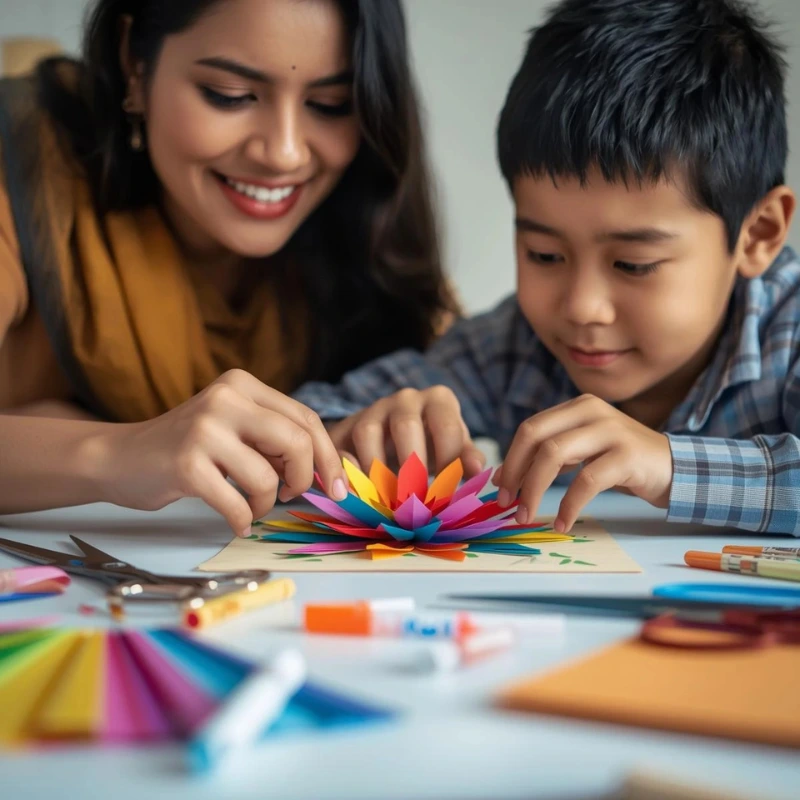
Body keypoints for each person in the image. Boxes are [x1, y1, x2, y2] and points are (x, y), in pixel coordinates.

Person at [295, 0, 800, 537]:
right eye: (544, 255)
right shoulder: (517, 347)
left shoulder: (788, 334)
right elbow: (319, 411)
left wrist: (670, 465)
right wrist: (354, 432)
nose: (581, 305)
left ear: (758, 234)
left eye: (634, 263)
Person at [0, 0, 457, 536]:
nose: (284, 154)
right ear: (135, 65)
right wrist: (115, 453)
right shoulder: (24, 173)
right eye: (231, 96)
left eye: (331, 104)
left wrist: (346, 430)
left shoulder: (366, 230)